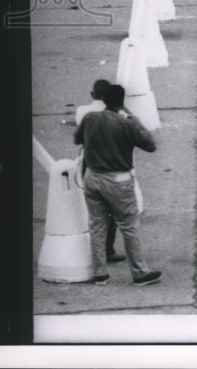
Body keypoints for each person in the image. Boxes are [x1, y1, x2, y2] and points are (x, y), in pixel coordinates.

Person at [73, 83, 162, 286]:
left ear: (103, 99)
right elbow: (151, 144)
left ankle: (100, 273)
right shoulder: (125, 123)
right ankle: (139, 273)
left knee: (97, 226)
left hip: (92, 177)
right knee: (129, 227)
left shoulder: (90, 118)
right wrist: (131, 115)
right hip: (118, 179)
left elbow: (76, 139)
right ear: (122, 102)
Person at [75, 79, 123, 264]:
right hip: (112, 162)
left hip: (89, 162)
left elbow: (77, 139)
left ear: (93, 94)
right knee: (113, 209)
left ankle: (97, 255)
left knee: (94, 210)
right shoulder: (116, 114)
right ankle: (108, 248)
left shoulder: (82, 112)